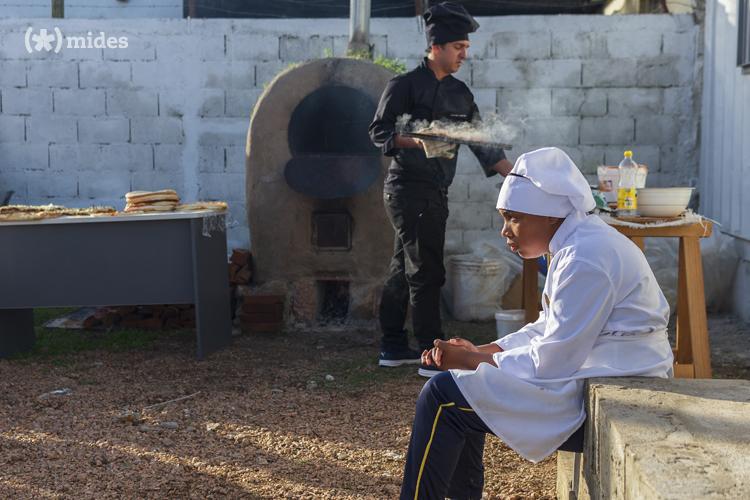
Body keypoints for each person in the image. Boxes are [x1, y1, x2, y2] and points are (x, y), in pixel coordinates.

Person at [399, 147, 674, 499]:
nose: (505, 231)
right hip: (597, 372)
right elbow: (548, 327)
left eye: (513, 217)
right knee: (458, 388)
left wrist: (471, 361)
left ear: (548, 215)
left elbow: (553, 360)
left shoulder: (585, 257)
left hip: (621, 381)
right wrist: (481, 351)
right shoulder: (577, 243)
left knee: (442, 397)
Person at [369, 1, 513, 377]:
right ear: (437, 47)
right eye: (458, 47)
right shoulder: (402, 85)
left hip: (436, 192)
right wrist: (417, 142)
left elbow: (484, 144)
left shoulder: (460, 95)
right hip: (406, 189)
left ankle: (393, 345)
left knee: (404, 266)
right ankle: (433, 354)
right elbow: (378, 131)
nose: (465, 53)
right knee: (428, 270)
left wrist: (517, 176)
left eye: (466, 47)